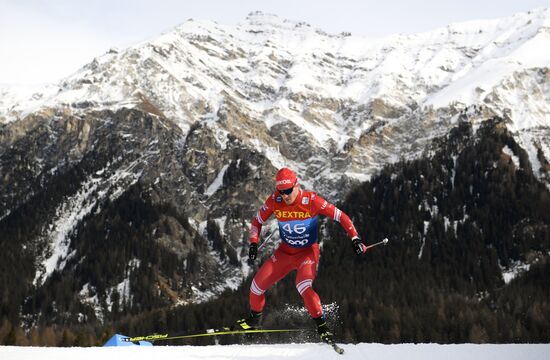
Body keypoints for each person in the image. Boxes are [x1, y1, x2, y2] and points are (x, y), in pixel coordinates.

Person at [235, 167, 368, 343]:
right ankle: (254, 320)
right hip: (285, 252)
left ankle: (322, 327)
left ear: (296, 186)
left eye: (289, 191)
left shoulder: (311, 200)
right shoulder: (275, 200)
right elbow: (256, 222)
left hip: (307, 253)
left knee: (303, 286)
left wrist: (355, 238)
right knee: (256, 288)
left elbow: (341, 216)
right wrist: (253, 242)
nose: (285, 195)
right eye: (281, 192)